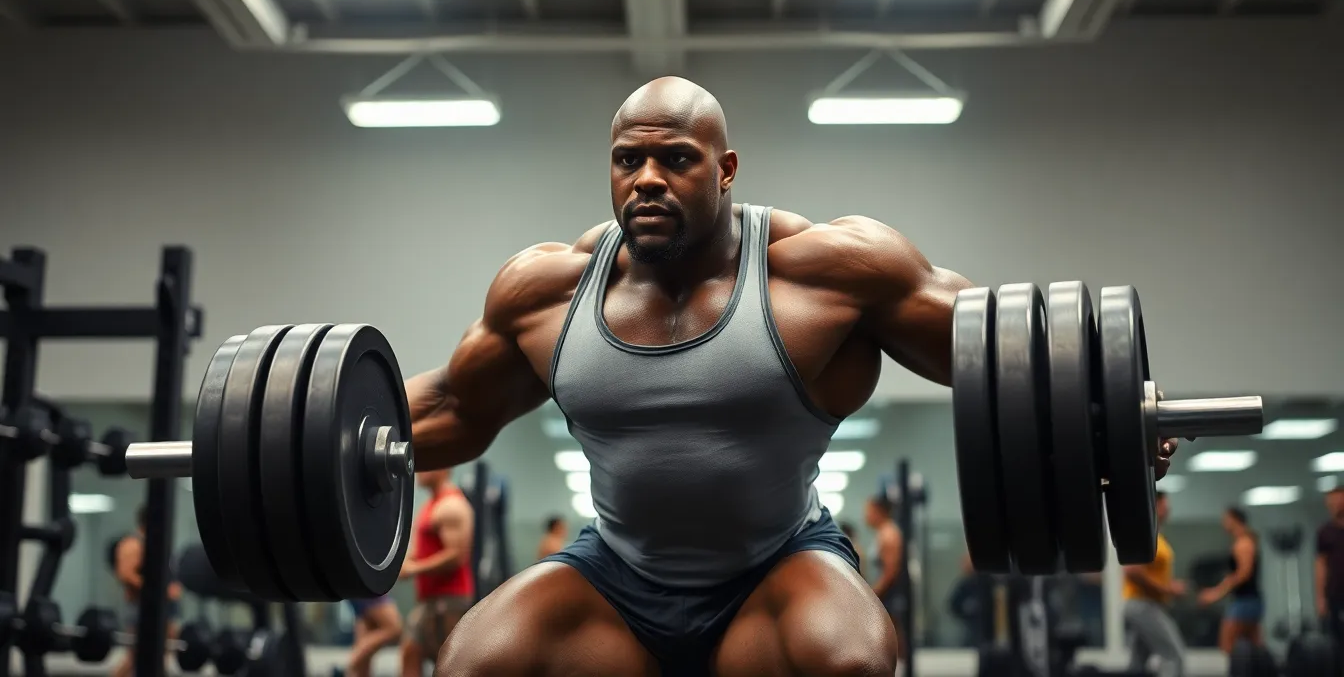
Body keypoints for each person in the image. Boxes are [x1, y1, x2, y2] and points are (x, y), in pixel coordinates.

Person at [404, 76, 1183, 677]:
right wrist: (339, 439)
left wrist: (1109, 414)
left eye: (676, 159)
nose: (647, 179)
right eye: (628, 160)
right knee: (476, 661)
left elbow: (1002, 355)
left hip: (777, 568)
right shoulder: (546, 292)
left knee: (846, 660)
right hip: (616, 574)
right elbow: (450, 409)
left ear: (725, 170)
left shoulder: (825, 273)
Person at [398, 469, 475, 677]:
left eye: (428, 467)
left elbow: (457, 555)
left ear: (444, 469)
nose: (420, 471)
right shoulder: (431, 504)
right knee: (410, 653)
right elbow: (423, 551)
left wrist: (414, 569)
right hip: (429, 600)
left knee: (447, 666)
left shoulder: (452, 505)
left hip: (449, 600)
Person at [1121, 491, 1187, 677]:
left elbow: (1151, 573)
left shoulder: (1156, 536)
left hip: (1149, 604)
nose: (1169, 511)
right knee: (1173, 657)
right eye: (1165, 506)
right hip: (1143, 605)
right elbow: (1132, 571)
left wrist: (1170, 585)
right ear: (1154, 505)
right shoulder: (1143, 534)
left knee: (1138, 664)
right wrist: (1167, 589)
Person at [111, 505, 182, 677]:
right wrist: (158, 589)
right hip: (141, 608)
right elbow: (125, 574)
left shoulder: (157, 543)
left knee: (162, 655)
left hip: (164, 608)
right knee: (134, 657)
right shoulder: (133, 544)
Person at [1197, 506, 1263, 653]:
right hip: (1249, 600)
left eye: (1226, 519)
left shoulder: (1243, 544)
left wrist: (1215, 594)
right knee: (1255, 646)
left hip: (1245, 602)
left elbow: (1243, 574)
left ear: (1235, 520)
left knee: (1227, 645)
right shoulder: (1243, 542)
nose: (1223, 523)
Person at [864, 494, 907, 666]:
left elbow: (891, 571)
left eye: (868, 511)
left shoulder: (889, 534)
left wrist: (874, 593)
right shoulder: (883, 533)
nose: (865, 516)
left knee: (893, 634)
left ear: (879, 511)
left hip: (890, 592)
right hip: (887, 591)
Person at [1314, 487, 1344, 650]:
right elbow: (1321, 565)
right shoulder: (1325, 533)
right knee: (1336, 642)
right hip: (1336, 594)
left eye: (1339, 500)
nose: (1335, 504)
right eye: (1331, 501)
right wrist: (1320, 598)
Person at [345, 595, 403, 677]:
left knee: (363, 666)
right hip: (367, 590)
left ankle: (355, 664)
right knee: (394, 628)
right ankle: (354, 661)